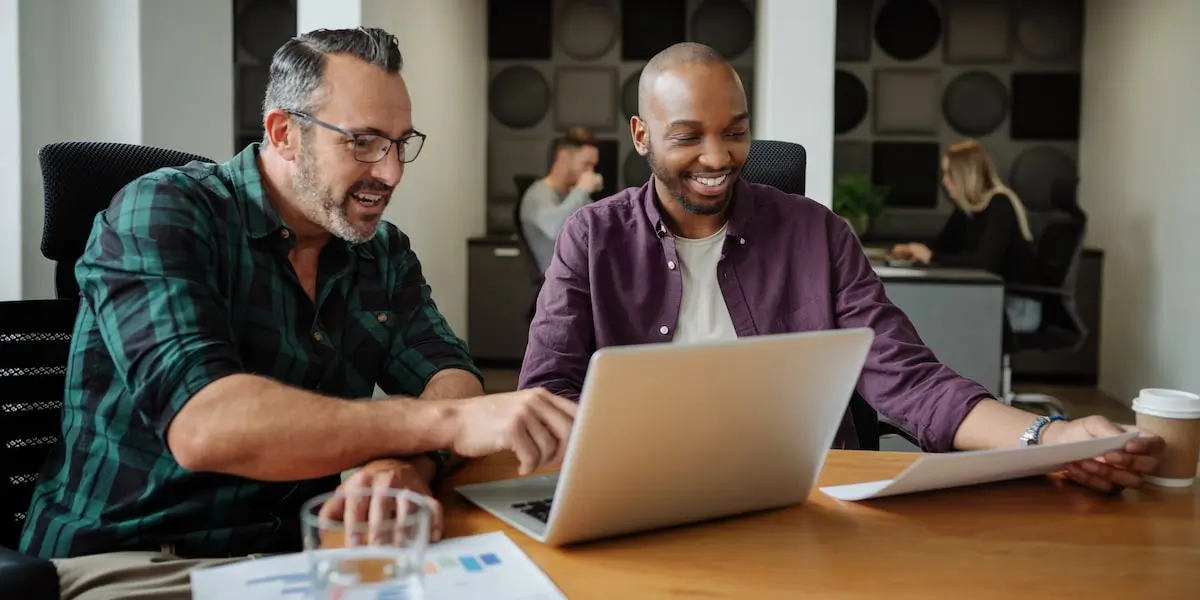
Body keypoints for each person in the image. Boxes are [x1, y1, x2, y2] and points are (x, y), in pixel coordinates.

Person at [22, 27, 575, 600]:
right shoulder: (163, 210)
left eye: (398, 143)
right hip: (135, 560)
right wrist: (447, 426)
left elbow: (449, 373)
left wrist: (405, 466)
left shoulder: (381, 253)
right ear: (284, 133)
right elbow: (206, 425)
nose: (391, 174)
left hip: (297, 557)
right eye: (362, 142)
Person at [519, 42, 1163, 494]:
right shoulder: (591, 236)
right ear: (641, 135)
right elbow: (545, 393)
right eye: (687, 136)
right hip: (641, 488)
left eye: (735, 131)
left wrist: (1049, 438)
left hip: (804, 494)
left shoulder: (816, 233)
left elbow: (908, 380)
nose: (717, 157)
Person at [891, 140, 1041, 331]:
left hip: (1017, 306)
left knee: (939, 322)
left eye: (949, 174)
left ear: (965, 176)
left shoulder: (999, 205)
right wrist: (914, 251)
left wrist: (931, 257)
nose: (944, 181)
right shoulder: (966, 210)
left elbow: (984, 264)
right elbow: (941, 246)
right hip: (990, 300)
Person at [518, 126, 603, 273]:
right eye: (586, 164)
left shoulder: (573, 195)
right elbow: (556, 229)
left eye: (593, 166)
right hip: (559, 286)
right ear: (564, 157)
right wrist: (581, 190)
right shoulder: (537, 195)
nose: (590, 172)